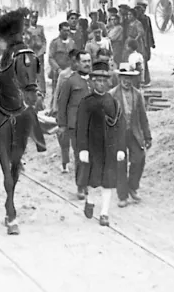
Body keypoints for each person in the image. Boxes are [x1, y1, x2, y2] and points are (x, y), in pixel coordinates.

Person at [75, 59, 123, 226]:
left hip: (109, 148)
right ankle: (90, 201)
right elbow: (81, 127)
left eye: (104, 81)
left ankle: (104, 213)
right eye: (98, 81)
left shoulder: (112, 101)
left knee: (108, 181)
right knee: (93, 180)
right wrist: (82, 149)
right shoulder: (86, 102)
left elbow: (118, 126)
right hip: (92, 148)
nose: (101, 84)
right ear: (92, 81)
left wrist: (120, 148)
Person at [113, 62, 150, 207]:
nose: (127, 81)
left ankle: (132, 187)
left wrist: (147, 136)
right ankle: (122, 196)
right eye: (124, 77)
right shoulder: (112, 94)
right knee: (120, 164)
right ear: (119, 77)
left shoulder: (138, 94)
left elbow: (143, 117)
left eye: (129, 78)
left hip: (134, 133)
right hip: (118, 135)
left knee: (139, 159)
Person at [55, 51, 93, 189]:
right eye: (84, 61)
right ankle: (81, 186)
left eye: (89, 61)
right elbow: (62, 103)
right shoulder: (70, 81)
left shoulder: (94, 81)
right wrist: (62, 125)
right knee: (80, 155)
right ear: (77, 63)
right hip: (76, 126)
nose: (87, 64)